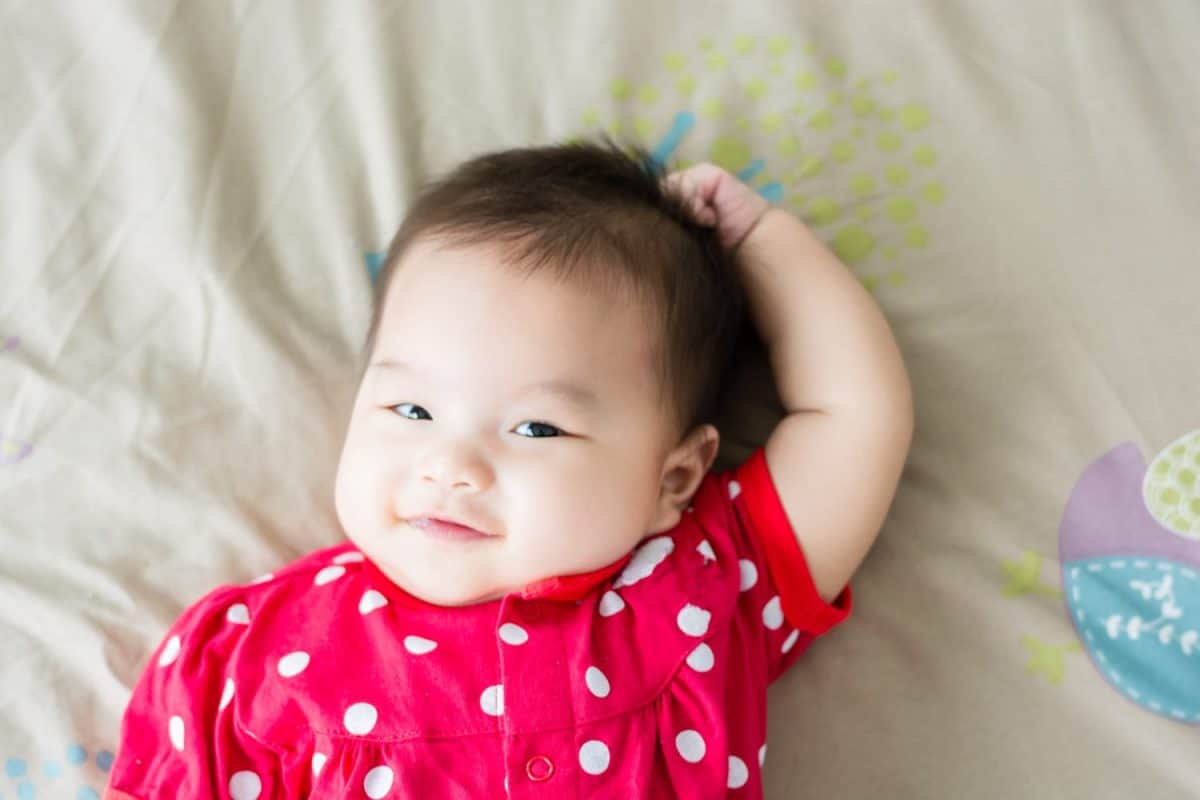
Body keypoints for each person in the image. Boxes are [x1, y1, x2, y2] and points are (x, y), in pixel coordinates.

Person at [105, 138, 913, 798]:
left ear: (671, 480)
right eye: (411, 411)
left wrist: (760, 239)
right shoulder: (253, 655)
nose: (452, 464)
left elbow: (856, 417)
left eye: (536, 427)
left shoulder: (704, 586)